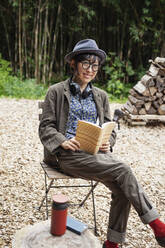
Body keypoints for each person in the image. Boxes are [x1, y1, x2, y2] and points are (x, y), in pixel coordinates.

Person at [39, 39, 165, 248]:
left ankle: (112, 244)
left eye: (95, 65)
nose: (90, 69)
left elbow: (109, 127)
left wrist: (107, 141)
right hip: (66, 155)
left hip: (95, 153)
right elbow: (46, 127)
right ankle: (157, 224)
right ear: (74, 64)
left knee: (123, 188)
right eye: (86, 63)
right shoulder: (56, 91)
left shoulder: (101, 96)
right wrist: (63, 141)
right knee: (123, 169)